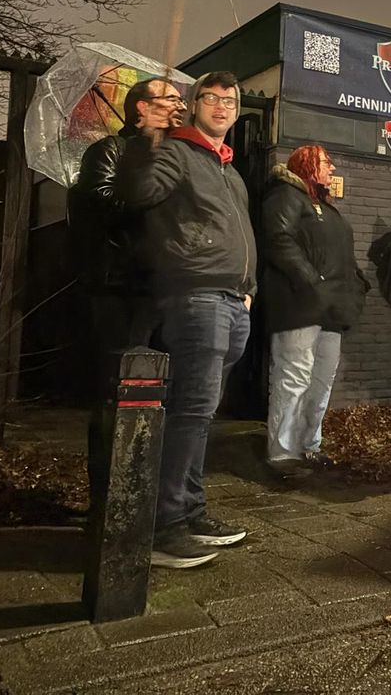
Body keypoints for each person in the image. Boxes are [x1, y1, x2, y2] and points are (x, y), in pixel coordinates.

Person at [120, 71, 256, 568]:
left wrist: (250, 291)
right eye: (211, 98)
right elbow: (138, 194)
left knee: (203, 412)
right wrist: (147, 138)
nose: (222, 106)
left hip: (231, 300)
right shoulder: (175, 152)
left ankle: (190, 509)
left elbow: (240, 235)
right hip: (195, 295)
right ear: (194, 105)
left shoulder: (228, 169)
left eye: (230, 99)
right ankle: (164, 525)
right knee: (191, 410)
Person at [69, 77, 185, 510]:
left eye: (179, 100)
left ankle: (150, 495)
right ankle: (109, 497)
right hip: (121, 289)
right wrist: (144, 177)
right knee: (118, 393)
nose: (178, 106)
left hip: (166, 289)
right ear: (140, 109)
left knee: (163, 396)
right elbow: (99, 206)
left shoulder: (177, 156)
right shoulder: (110, 151)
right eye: (168, 99)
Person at [259, 145, 368, 474]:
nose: (332, 169)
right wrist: (311, 280)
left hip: (329, 309)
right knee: (293, 377)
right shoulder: (287, 196)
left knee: (320, 381)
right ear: (307, 166)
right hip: (299, 305)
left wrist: (357, 285)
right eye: (326, 163)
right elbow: (278, 238)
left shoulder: (323, 205)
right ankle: (282, 453)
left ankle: (308, 445)